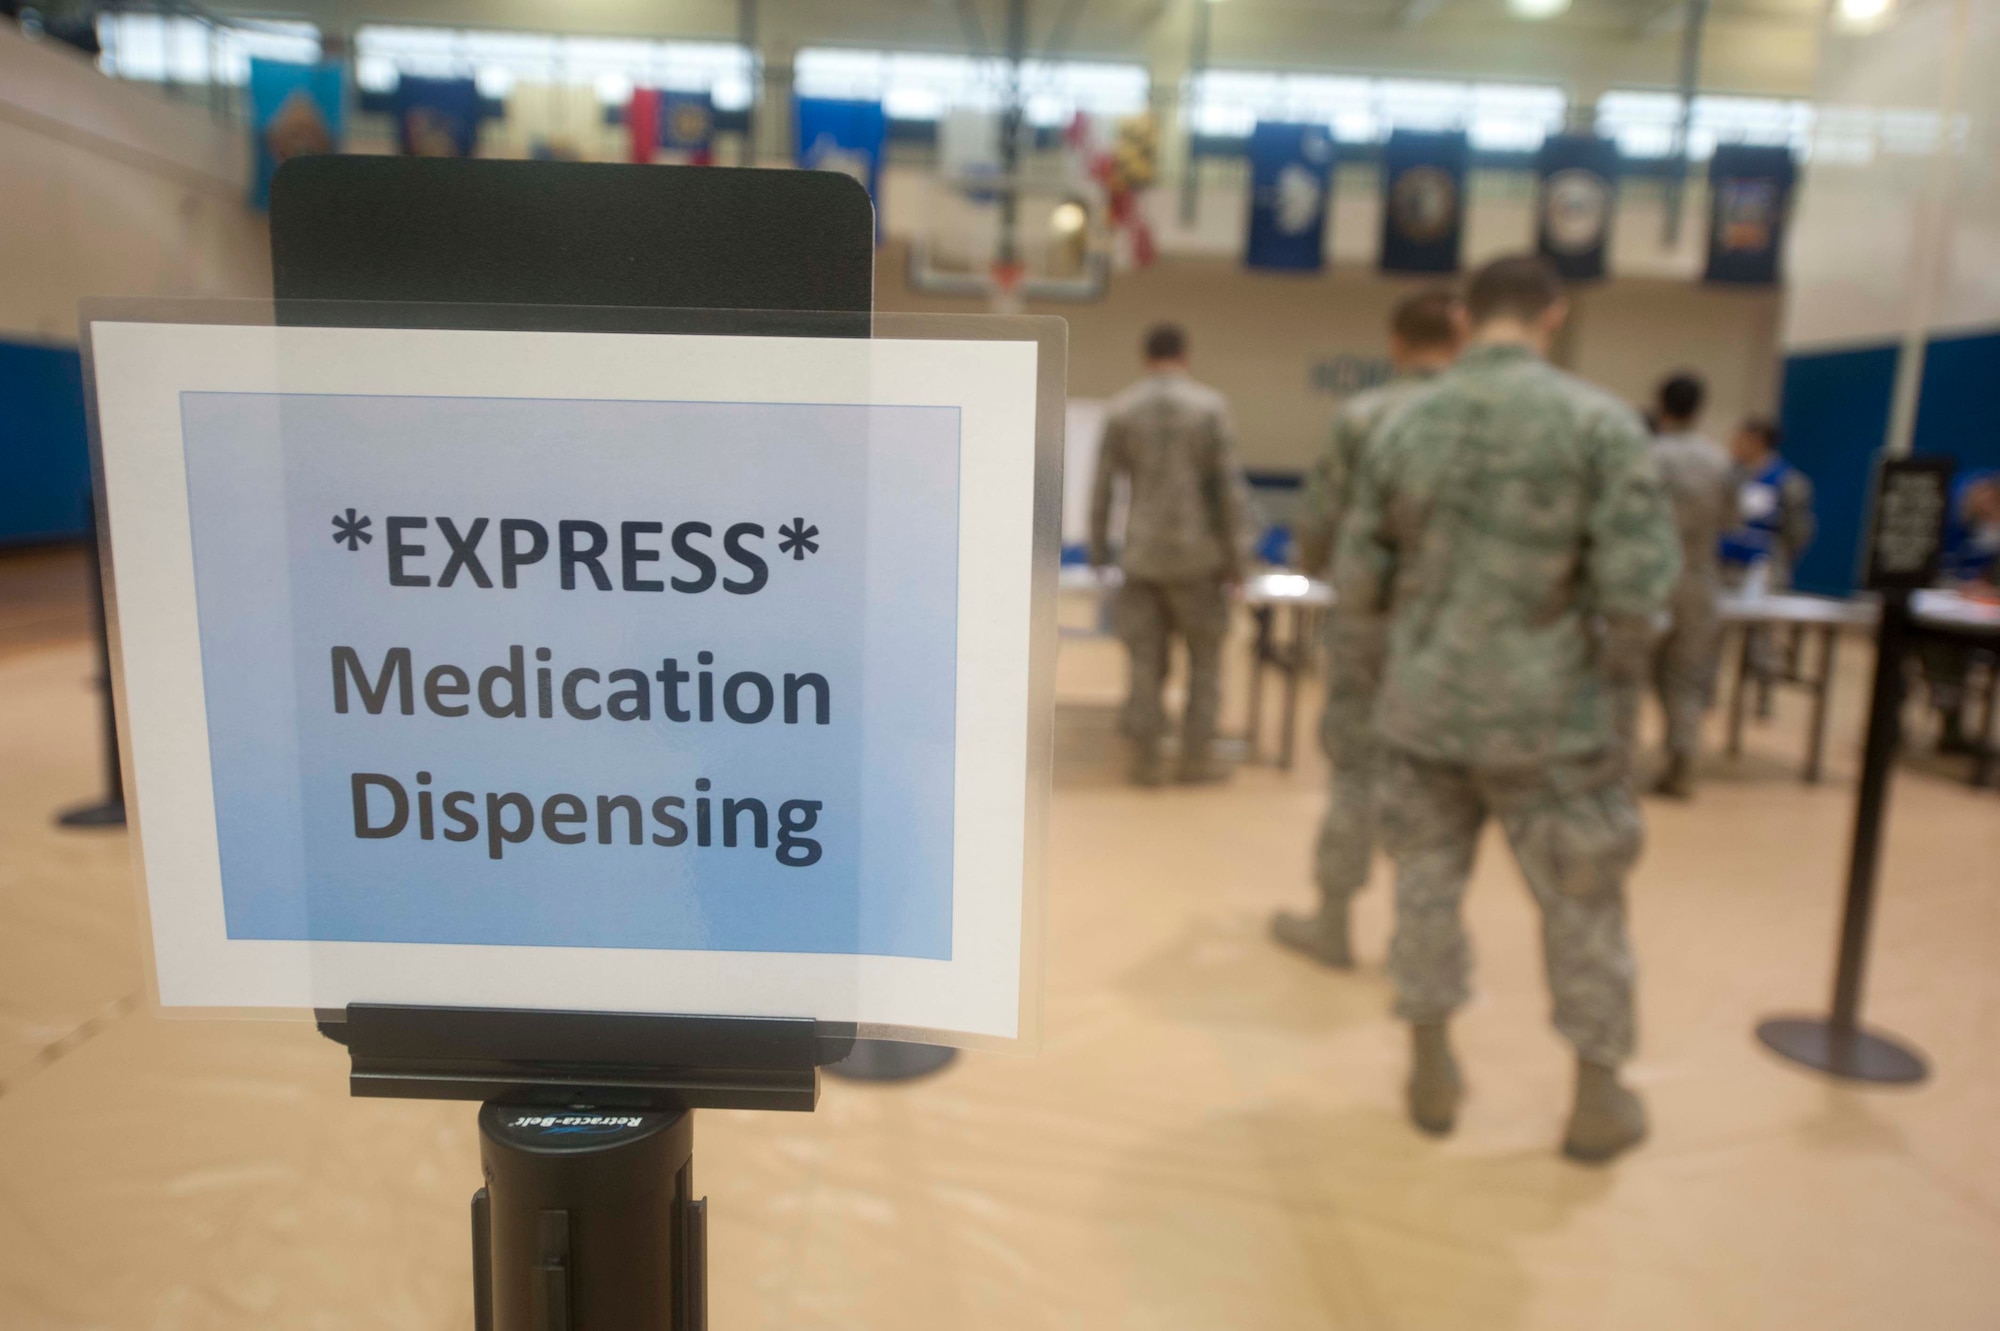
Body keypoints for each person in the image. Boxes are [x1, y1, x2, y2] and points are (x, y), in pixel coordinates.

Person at [1330, 255, 1680, 1163]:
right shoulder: (1597, 423)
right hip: (1551, 719)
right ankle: (1596, 1098)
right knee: (1582, 904)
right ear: (1553, 316)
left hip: (1423, 707)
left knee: (1425, 890)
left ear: (1466, 316)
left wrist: (1384, 680)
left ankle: (1431, 1069)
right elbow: (1637, 592)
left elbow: (1358, 581)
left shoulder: (1402, 422)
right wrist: (1617, 705)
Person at [1273, 289, 1463, 967]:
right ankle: (1422, 943)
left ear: (1396, 342)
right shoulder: (1479, 417)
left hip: (1368, 622)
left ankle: (1333, 922)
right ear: (1460, 341)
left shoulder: (1363, 416)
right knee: (1438, 784)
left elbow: (1319, 522)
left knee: (1355, 769)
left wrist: (1321, 569)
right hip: (1454, 630)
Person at [1089, 324, 1252, 785]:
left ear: (1145, 356)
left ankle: (1145, 760)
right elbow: (1228, 491)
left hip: (1141, 556)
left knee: (1144, 661)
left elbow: (1102, 487)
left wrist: (1100, 552)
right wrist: (1238, 561)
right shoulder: (1209, 408)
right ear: (1185, 354)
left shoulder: (1122, 409)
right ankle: (1195, 758)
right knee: (1205, 662)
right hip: (1198, 558)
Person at [1645, 374, 1738, 799]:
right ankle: (1682, 762)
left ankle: (1613, 770)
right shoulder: (1721, 462)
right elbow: (1732, 521)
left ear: (1661, 405)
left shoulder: (1646, 455)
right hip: (1700, 580)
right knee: (1686, 677)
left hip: (1649, 579)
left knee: (1624, 678)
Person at [1719, 419, 1816, 715]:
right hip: (1725, 566)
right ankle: (1706, 694)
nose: (1734, 445)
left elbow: (1799, 531)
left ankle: (1763, 698)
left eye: (1740, 438)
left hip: (1763, 570)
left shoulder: (1789, 482)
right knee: (1713, 632)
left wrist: (1779, 560)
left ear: (1757, 440)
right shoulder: (1730, 477)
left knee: (1762, 638)